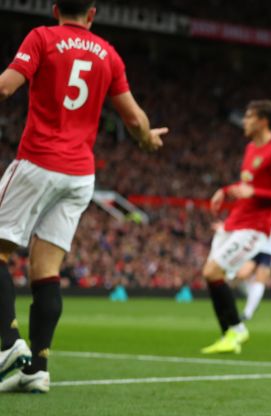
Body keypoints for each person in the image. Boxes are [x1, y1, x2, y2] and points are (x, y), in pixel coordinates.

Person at [0, 0, 167, 394]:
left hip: (39, 160)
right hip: (79, 175)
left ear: (55, 9)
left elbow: (7, 85)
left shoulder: (42, 37)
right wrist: (146, 139)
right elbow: (134, 118)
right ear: (91, 14)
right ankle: (36, 368)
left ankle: (7, 345)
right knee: (46, 267)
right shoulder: (108, 54)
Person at [200, 100, 271, 354]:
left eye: (249, 117)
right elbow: (246, 187)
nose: (244, 121)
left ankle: (237, 330)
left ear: (263, 121)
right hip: (235, 221)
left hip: (254, 227)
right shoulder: (251, 148)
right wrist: (226, 191)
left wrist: (254, 191)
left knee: (213, 272)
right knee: (211, 275)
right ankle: (230, 333)